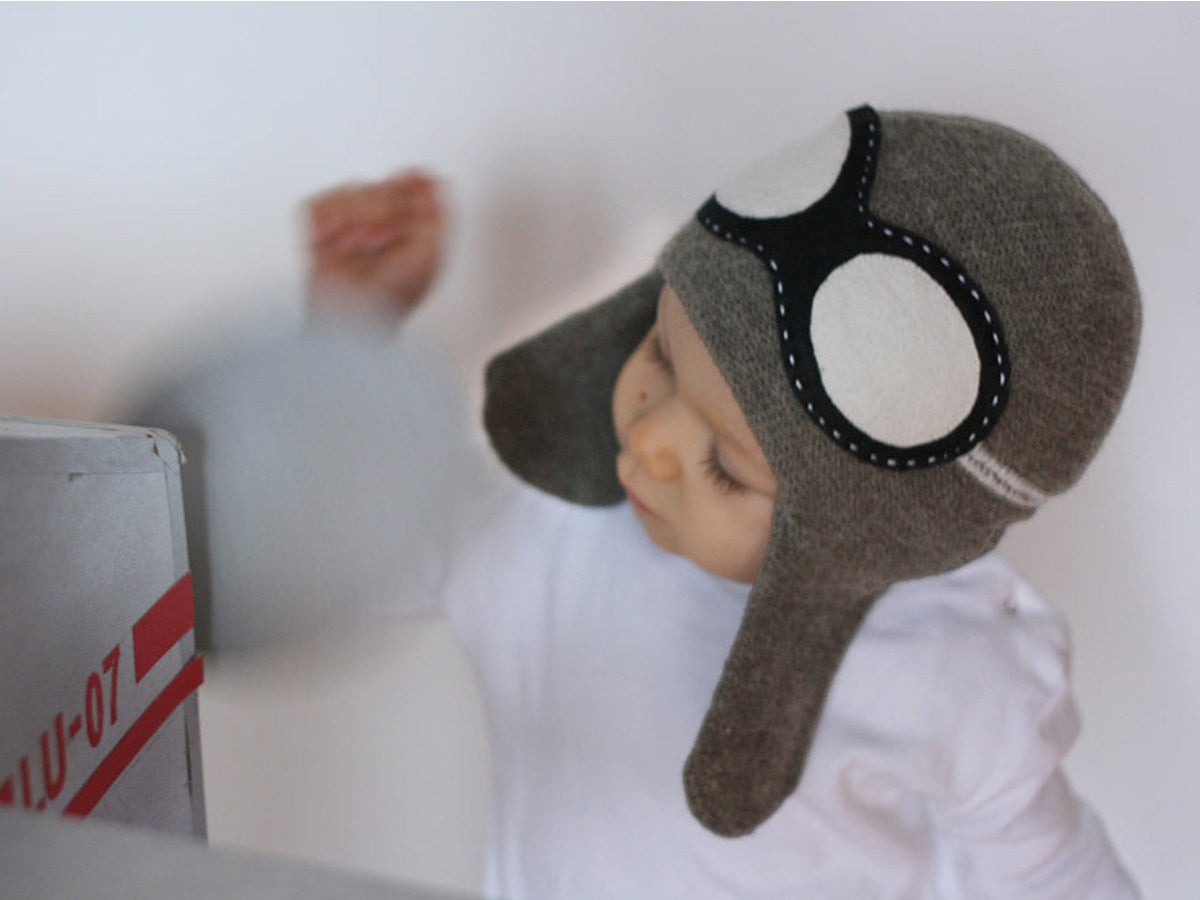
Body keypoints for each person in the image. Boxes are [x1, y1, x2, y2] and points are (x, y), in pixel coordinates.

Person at [301, 107, 1141, 896]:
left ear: (867, 534)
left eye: (729, 469)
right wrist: (349, 332)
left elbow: (1052, 871)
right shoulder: (540, 524)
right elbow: (334, 549)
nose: (650, 442)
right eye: (660, 352)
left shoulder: (953, 668)